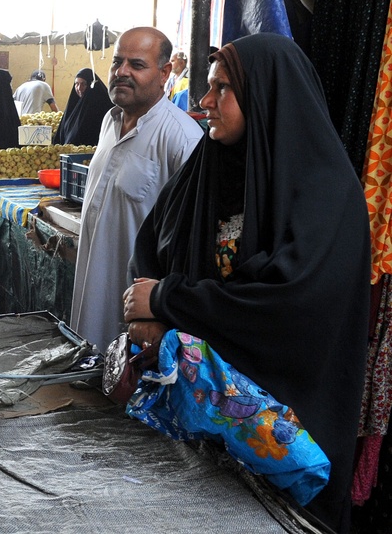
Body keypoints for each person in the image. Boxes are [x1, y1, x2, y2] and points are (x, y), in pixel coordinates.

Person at [122, 34, 369, 532]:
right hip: (196, 435)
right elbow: (151, 251)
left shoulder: (326, 196)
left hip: (287, 438)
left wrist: (169, 302)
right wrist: (149, 318)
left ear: (265, 96)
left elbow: (292, 307)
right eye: (208, 86)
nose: (205, 101)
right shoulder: (204, 173)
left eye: (223, 88)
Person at [69, 27, 203, 351]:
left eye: (137, 65)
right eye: (117, 62)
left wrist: (159, 310)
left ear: (165, 73)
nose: (121, 72)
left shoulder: (182, 139)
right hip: (90, 298)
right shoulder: (109, 122)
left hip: (138, 319)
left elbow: (188, 246)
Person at [52, 68, 113, 146]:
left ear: (91, 84)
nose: (79, 88)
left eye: (83, 84)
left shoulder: (101, 106)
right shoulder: (74, 105)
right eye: (76, 84)